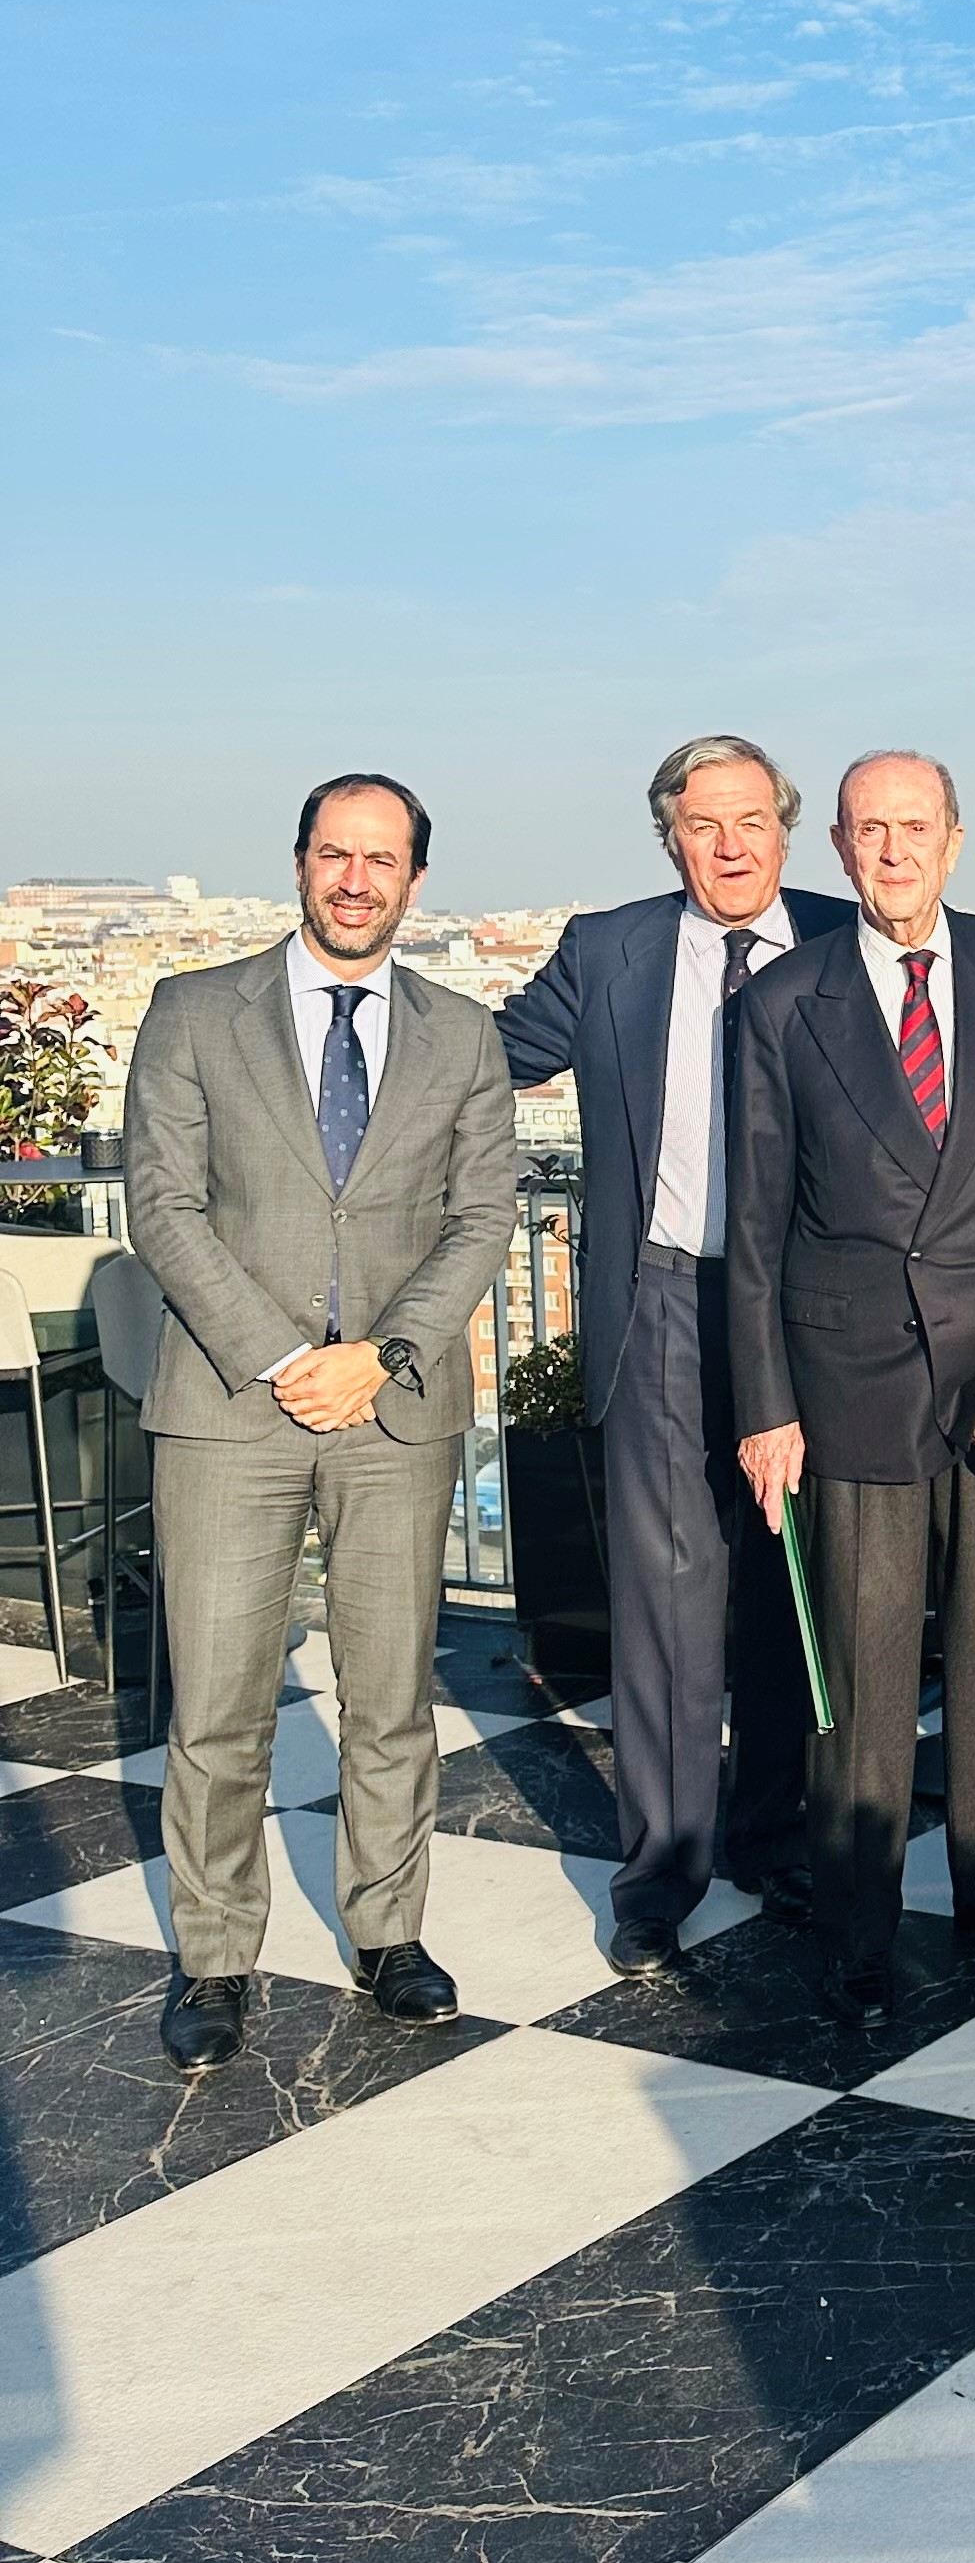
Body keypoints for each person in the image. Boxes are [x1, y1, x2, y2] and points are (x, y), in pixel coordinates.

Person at [124, 772, 518, 2072]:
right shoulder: (193, 1011)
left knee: (392, 1695)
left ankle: (390, 1934)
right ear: (301, 863)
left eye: (383, 859)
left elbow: (479, 1220)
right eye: (335, 854)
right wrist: (290, 1356)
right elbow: (164, 1208)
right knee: (221, 1700)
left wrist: (381, 1358)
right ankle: (216, 1954)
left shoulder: (463, 1034)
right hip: (230, 1408)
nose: (357, 879)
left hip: (392, 1413)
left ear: (414, 879)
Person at [496, 738, 855, 1972]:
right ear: (671, 837)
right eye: (705, 825)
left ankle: (776, 1839)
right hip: (657, 1299)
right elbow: (479, 1060)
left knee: (785, 1571)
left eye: (752, 819)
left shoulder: (842, 939)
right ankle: (660, 1867)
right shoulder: (610, 949)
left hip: (806, 1309)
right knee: (663, 1587)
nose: (733, 844)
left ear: (787, 829)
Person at [728, 751, 975, 2029]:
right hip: (847, 1373)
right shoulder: (781, 1001)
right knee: (862, 1683)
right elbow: (757, 1225)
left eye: (913, 828)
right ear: (837, 845)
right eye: (869, 831)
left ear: (956, 839)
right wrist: (767, 1407)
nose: (892, 853)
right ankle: (857, 1931)